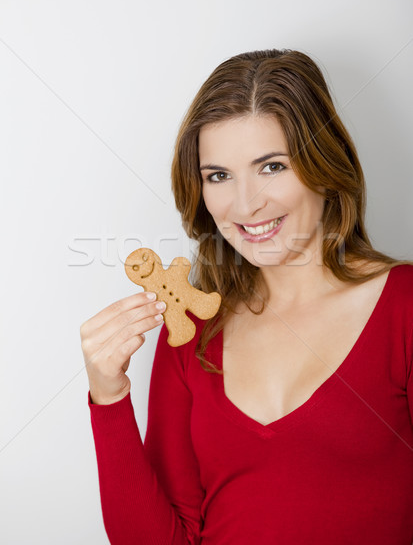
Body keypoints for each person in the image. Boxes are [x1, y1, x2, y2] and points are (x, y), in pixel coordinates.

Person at [80, 49, 413, 544]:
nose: (244, 204)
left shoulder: (402, 308)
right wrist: (108, 396)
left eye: (272, 166)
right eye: (218, 176)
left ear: (325, 165)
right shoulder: (190, 333)